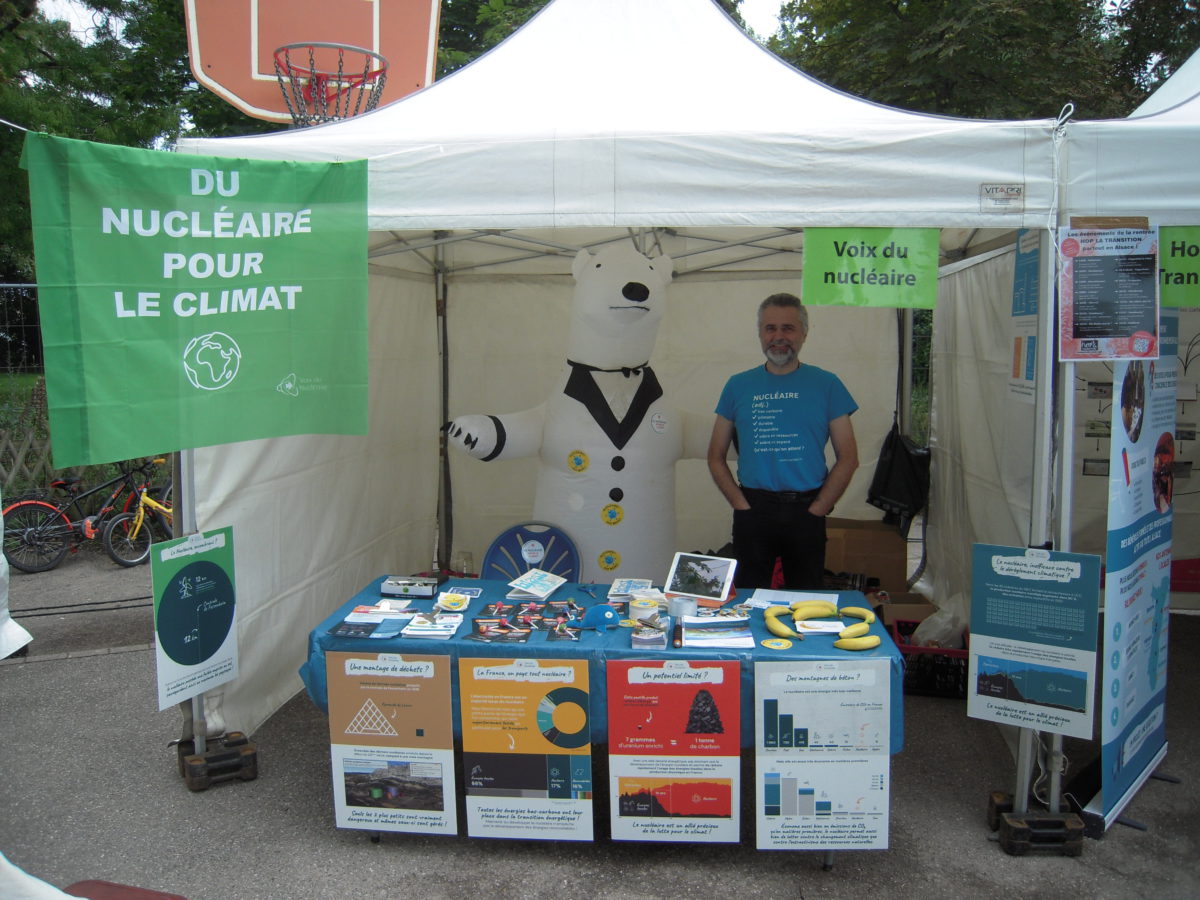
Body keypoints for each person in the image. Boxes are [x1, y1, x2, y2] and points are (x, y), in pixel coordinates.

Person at [707, 293, 858, 590]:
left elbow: (849, 457)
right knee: (749, 598)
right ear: (760, 333)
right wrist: (740, 504)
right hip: (754, 509)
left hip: (807, 509)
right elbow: (715, 455)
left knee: (805, 602)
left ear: (803, 333)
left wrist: (819, 507)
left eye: (788, 328)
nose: (778, 337)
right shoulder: (738, 385)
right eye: (770, 328)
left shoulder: (827, 384)